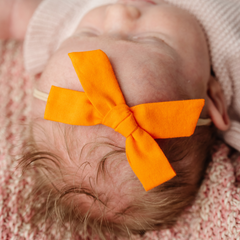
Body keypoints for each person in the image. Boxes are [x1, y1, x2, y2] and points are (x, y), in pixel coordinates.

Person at [1, 0, 240, 239]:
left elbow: (11, 14)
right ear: (213, 97)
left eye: (87, 33)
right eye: (151, 39)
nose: (118, 10)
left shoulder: (62, 26)